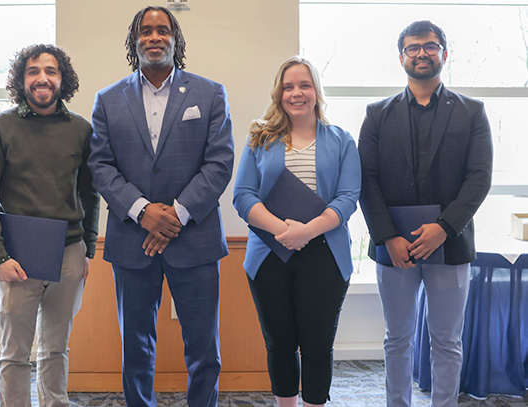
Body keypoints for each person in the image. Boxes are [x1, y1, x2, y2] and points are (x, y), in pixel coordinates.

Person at [87, 6, 234, 407]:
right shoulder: (107, 99)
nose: (155, 37)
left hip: (196, 239)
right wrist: (142, 211)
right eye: (146, 30)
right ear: (135, 40)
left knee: (204, 349)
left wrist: (176, 215)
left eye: (162, 30)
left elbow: (220, 162)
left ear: (175, 39)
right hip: (132, 240)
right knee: (136, 349)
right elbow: (100, 165)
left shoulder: (209, 93)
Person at [358, 20, 493, 407]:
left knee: (447, 340)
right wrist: (387, 235)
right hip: (394, 247)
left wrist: (444, 228)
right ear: (401, 56)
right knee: (396, 337)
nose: (422, 53)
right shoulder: (377, 114)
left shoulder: (472, 112)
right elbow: (366, 179)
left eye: (430, 46)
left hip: (449, 246)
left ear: (444, 54)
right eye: (413, 47)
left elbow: (479, 178)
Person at [0, 44, 100, 406]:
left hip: (69, 254)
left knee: (55, 348)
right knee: (15, 353)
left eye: (51, 71)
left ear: (63, 80)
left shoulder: (80, 130)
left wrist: (88, 248)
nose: (42, 78)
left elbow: (90, 194)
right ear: (21, 79)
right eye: (33, 71)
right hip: (17, 257)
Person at [233, 56, 361, 407]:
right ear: (279, 93)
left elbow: (348, 198)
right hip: (270, 253)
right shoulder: (260, 137)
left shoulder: (341, 140)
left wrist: (307, 231)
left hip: (325, 254)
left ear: (316, 92)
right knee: (280, 343)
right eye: (288, 86)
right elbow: (242, 195)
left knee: (318, 345)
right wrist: (283, 230)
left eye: (304, 85)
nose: (296, 93)